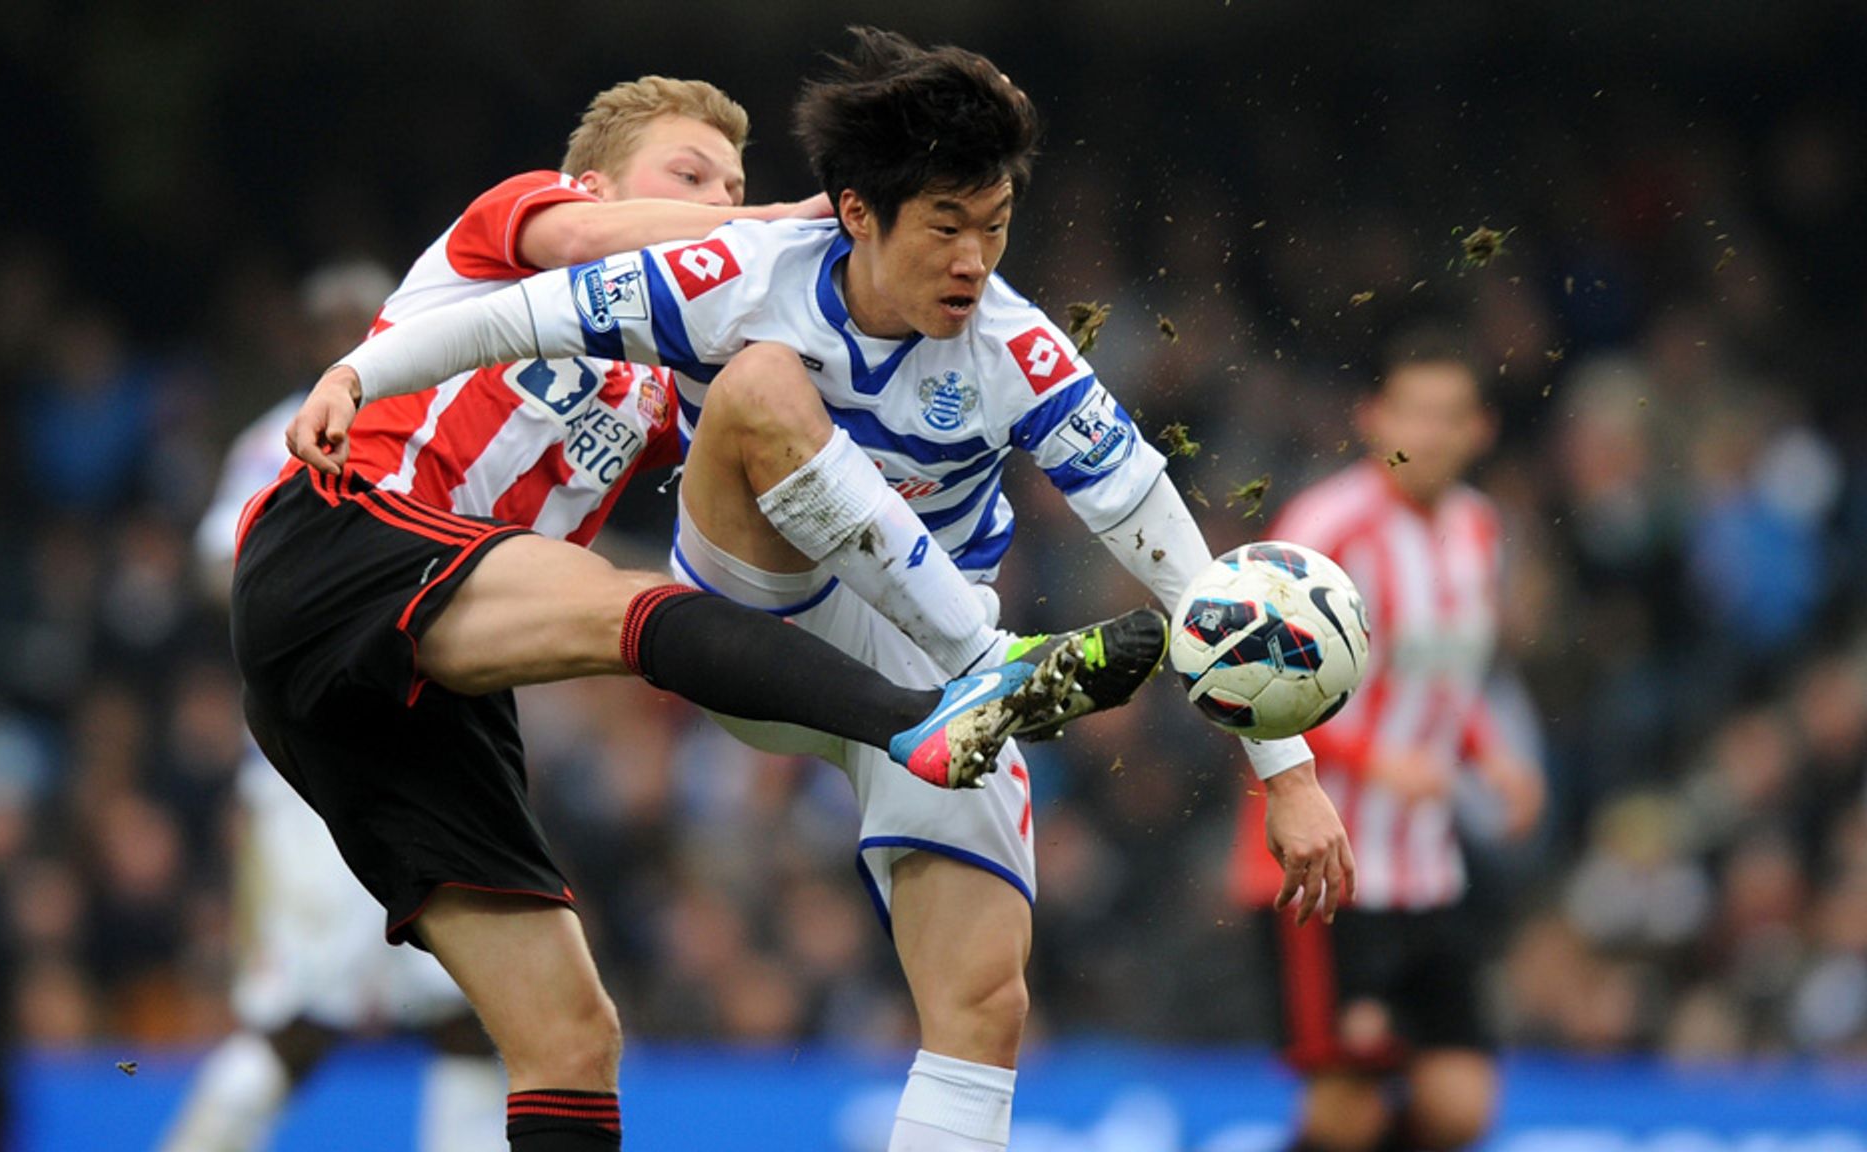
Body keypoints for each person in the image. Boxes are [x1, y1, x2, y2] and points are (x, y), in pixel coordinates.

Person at [294, 29, 1354, 1151]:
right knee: (757, 380)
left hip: (921, 673)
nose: (972, 261)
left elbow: (1158, 541)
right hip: (768, 606)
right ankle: (983, 665)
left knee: (984, 1008)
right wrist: (358, 372)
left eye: (993, 229)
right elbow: (518, 314)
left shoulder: (1018, 350)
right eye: (944, 228)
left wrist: (1285, 775)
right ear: (857, 215)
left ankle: (971, 680)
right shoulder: (738, 278)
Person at [162, 261, 506, 1152]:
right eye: (337, 322)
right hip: (317, 759)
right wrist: (330, 585)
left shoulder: (444, 425)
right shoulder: (283, 433)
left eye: (372, 315)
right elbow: (213, 565)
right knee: (302, 1018)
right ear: (309, 341)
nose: (356, 333)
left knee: (468, 1007)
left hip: (432, 748)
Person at [1226, 324, 1545, 1152]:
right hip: (1326, 868)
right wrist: (1375, 761)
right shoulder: (1325, 527)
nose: (1429, 435)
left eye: (1449, 416)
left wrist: (1492, 756)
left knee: (1459, 1105)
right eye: (1413, 412)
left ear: (1482, 430)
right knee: (1347, 1112)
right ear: (1373, 418)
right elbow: (1252, 685)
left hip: (1428, 865)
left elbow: (1444, 676)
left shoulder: (1477, 528)